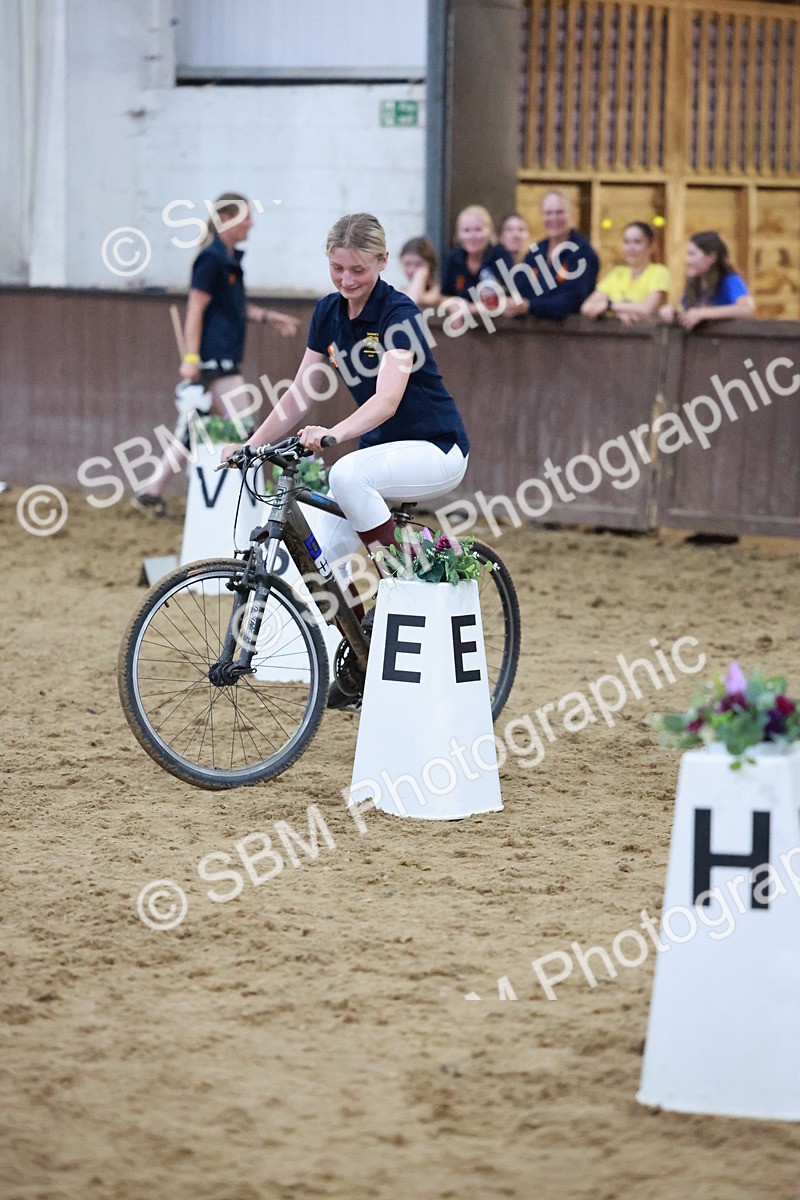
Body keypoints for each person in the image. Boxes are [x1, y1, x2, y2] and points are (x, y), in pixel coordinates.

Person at [221, 212, 471, 705]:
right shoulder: (328, 312)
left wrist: (334, 434)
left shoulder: (400, 315)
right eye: (337, 268)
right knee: (317, 560)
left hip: (437, 449)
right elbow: (299, 394)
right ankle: (366, 649)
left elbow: (387, 400)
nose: (347, 280)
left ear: (381, 261)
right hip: (382, 455)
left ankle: (406, 583)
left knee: (347, 472)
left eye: (358, 270)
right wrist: (252, 444)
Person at [131, 192, 300, 516]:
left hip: (223, 360)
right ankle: (257, 499)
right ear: (226, 220)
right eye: (246, 216)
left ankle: (152, 492)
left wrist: (269, 317)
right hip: (214, 362)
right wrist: (192, 358)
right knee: (245, 429)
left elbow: (232, 308)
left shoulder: (228, 259)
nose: (252, 222)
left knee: (195, 428)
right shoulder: (210, 259)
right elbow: (195, 308)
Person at [514, 190, 599, 319]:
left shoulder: (583, 253)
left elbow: (575, 299)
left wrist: (531, 306)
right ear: (542, 216)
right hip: (531, 334)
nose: (554, 218)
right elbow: (521, 290)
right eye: (548, 213)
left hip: (574, 333)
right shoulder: (535, 252)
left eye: (560, 212)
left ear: (571, 214)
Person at [659, 231, 755, 330]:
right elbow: (686, 310)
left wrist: (703, 313)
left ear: (711, 257)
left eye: (692, 254)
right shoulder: (694, 283)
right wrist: (672, 311)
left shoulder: (729, 280)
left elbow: (746, 309)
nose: (687, 260)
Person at [581, 222, 670, 325]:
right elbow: (586, 307)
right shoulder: (616, 273)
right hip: (615, 337)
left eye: (637, 242)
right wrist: (618, 313)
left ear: (650, 246)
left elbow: (647, 309)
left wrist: (610, 306)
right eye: (626, 242)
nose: (631, 247)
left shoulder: (659, 272)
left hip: (648, 337)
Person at [398, 236, 441, 308]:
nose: (412, 270)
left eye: (418, 264)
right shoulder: (401, 292)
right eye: (407, 264)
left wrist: (421, 274)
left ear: (429, 265)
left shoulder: (441, 292)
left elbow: (413, 301)